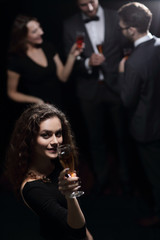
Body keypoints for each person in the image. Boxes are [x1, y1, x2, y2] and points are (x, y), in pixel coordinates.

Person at [63, 0, 131, 194]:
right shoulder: (70, 25)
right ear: (77, 4)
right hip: (88, 90)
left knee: (121, 136)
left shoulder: (115, 15)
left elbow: (128, 47)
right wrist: (86, 62)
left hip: (115, 88)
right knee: (95, 138)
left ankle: (126, 177)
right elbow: (71, 60)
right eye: (84, 5)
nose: (90, 8)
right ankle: (102, 178)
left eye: (92, 2)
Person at [5, 103, 93, 240]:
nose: (55, 141)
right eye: (46, 135)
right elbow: (77, 229)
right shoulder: (32, 188)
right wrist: (70, 195)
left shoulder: (58, 163)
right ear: (30, 139)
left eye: (58, 134)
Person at [118, 2, 160, 227]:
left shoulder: (133, 63)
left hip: (147, 129)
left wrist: (122, 73)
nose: (121, 31)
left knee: (155, 177)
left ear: (131, 30)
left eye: (122, 27)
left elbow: (126, 100)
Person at [7, 14, 83, 110]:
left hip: (58, 104)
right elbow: (12, 93)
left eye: (40, 27)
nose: (41, 32)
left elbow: (63, 77)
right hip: (38, 110)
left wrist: (72, 56)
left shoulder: (48, 47)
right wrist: (36, 101)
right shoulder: (16, 60)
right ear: (23, 36)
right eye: (35, 31)